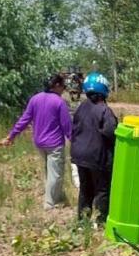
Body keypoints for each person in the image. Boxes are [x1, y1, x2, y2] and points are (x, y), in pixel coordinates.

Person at [7, 74, 72, 209]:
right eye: (63, 86)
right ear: (57, 86)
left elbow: (24, 120)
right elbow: (67, 125)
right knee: (56, 173)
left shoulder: (35, 99)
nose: (64, 89)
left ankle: (59, 197)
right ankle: (49, 203)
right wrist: (74, 141)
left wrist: (12, 135)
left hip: (39, 143)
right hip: (54, 143)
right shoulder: (59, 102)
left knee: (49, 172)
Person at [70, 72, 118, 224]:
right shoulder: (104, 109)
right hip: (97, 156)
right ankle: (102, 219)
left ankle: (82, 221)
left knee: (85, 189)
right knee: (103, 189)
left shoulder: (81, 107)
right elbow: (110, 131)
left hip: (79, 155)